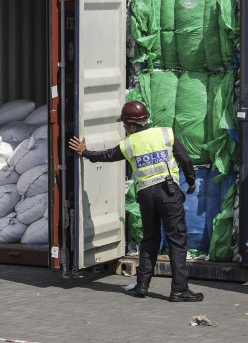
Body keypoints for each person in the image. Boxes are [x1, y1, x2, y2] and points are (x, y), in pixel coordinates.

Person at [68, 100, 204, 303]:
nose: (124, 128)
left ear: (132, 125)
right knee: (177, 241)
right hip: (169, 193)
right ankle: (179, 289)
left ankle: (142, 285)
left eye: (124, 124)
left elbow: (106, 156)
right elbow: (184, 158)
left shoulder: (128, 144)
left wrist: (85, 152)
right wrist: (191, 181)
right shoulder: (166, 134)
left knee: (149, 239)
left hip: (147, 195)